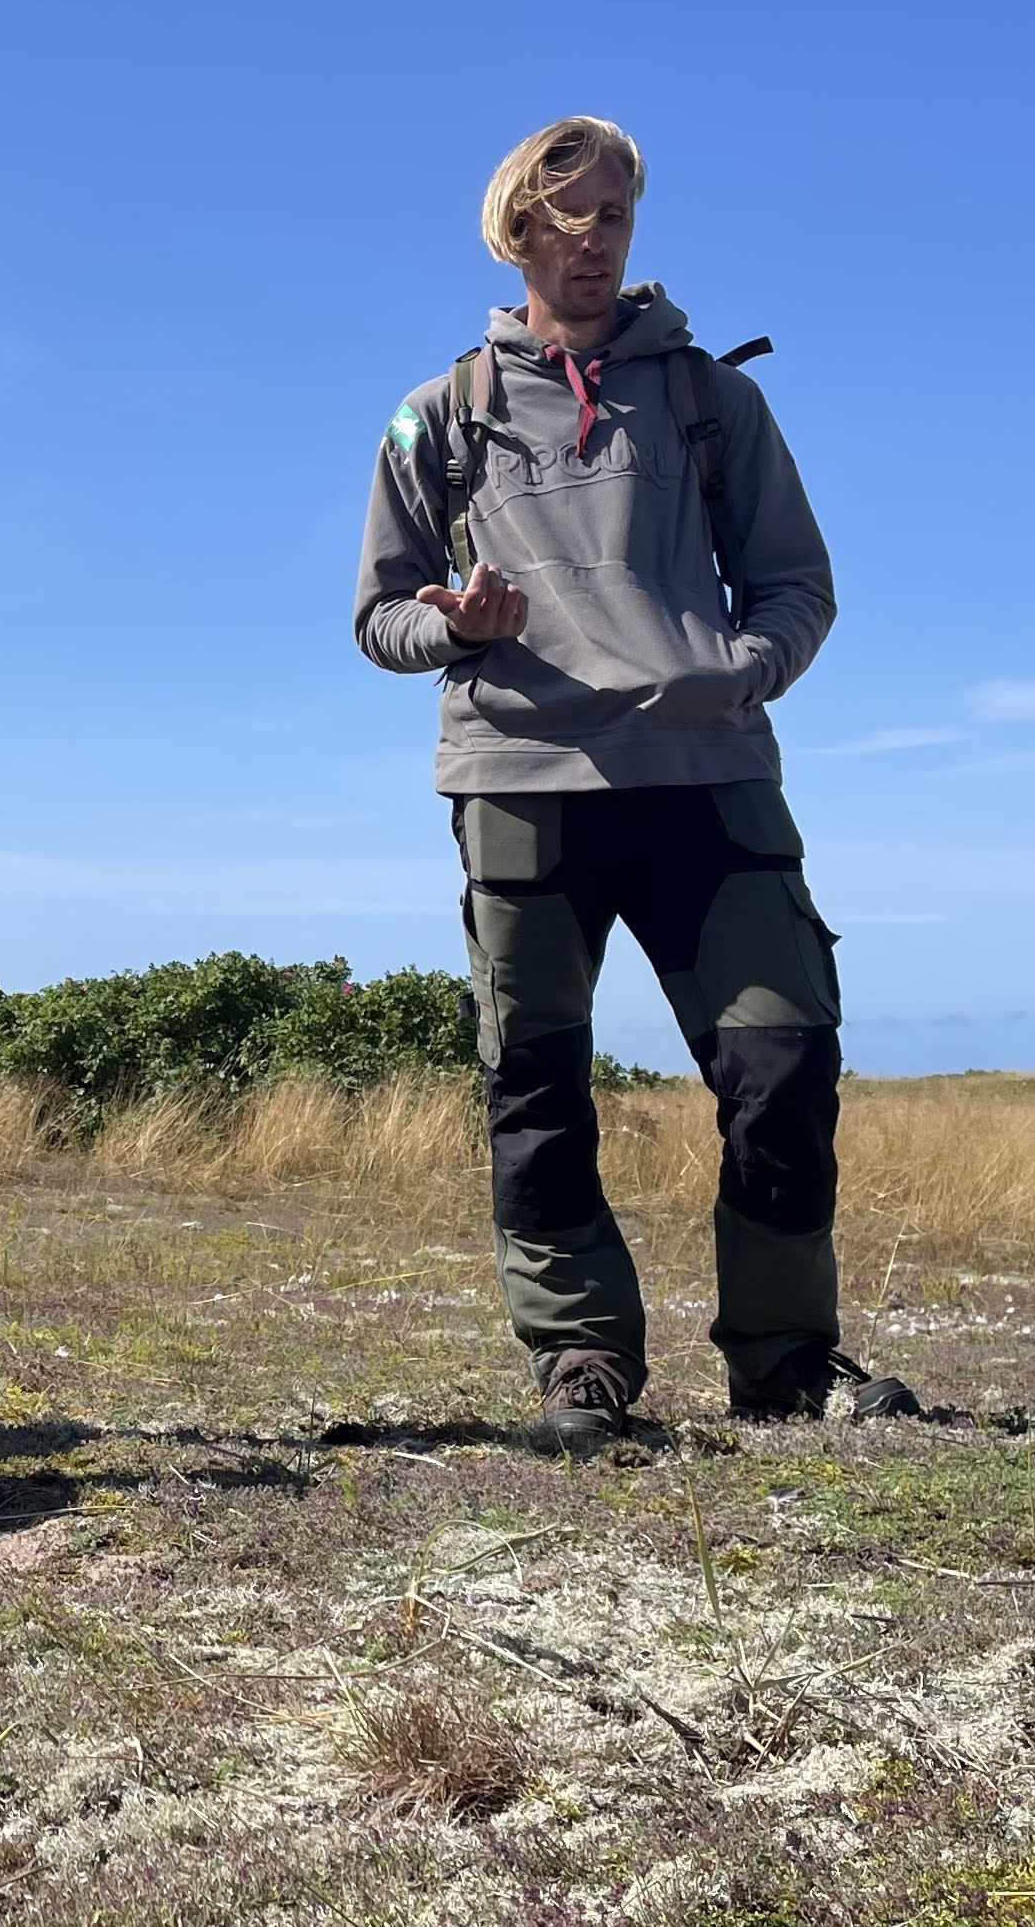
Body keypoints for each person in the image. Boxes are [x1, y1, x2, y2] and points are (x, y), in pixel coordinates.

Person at [352, 115, 918, 1454]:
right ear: (515, 230)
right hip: (521, 776)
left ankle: (784, 1366)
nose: (590, 241)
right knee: (535, 1085)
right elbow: (381, 621)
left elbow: (798, 582)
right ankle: (581, 1366)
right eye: (562, 217)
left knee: (782, 1060)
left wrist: (742, 670)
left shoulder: (713, 399)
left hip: (705, 772)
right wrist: (461, 631)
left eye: (612, 215)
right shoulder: (438, 415)